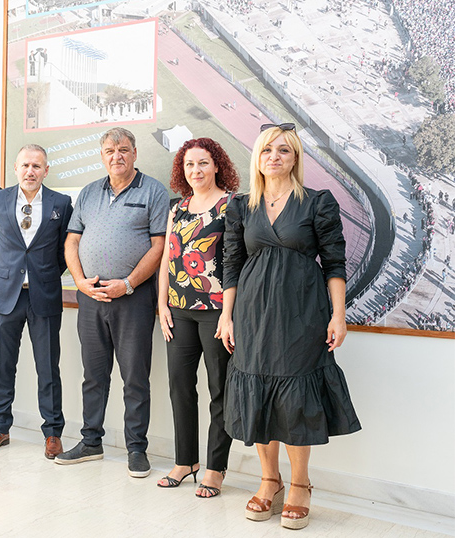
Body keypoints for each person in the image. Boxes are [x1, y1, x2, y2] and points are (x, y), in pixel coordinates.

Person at [217, 123, 361, 530]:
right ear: (257, 157)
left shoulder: (317, 202)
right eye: (267, 150)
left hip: (302, 313)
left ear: (295, 157)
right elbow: (231, 264)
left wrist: (338, 315)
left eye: (283, 150)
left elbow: (334, 263)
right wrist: (227, 315)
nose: (274, 157)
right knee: (259, 392)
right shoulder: (241, 206)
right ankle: (269, 480)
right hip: (252, 315)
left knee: (296, 398)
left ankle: (300, 484)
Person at [56, 127, 168, 478]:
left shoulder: (153, 191)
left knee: (135, 377)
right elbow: (72, 242)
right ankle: (91, 441)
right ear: (102, 156)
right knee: (93, 376)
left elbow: (159, 246)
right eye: (109, 150)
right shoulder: (89, 192)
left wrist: (129, 284)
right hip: (91, 298)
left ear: (134, 153)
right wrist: (79, 282)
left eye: (123, 149)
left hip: (133, 298)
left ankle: (137, 449)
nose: (116, 156)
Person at [0, 144, 73, 459]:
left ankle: (53, 432)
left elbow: (65, 250)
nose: (30, 171)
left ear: (46, 170)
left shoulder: (61, 203)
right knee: (3, 366)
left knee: (48, 367)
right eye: (25, 165)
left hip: (44, 295)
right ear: (16, 168)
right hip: (6, 296)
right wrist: (7, 274)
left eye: (36, 166)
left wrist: (44, 274)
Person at [157, 138, 239, 497]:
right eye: (189, 164)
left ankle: (215, 468)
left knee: (219, 390)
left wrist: (229, 314)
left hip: (217, 312)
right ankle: (185, 461)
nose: (196, 170)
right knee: (180, 387)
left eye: (203, 163)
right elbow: (167, 258)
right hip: (178, 311)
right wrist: (162, 305)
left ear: (217, 165)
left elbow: (236, 262)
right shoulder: (177, 207)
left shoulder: (232, 205)